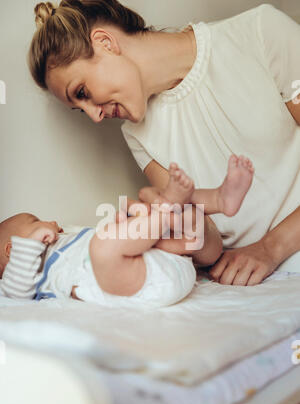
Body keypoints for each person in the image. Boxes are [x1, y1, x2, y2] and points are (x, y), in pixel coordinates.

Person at [28, 1, 300, 286]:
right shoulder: (137, 135)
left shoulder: (259, 33)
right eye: (80, 108)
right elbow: (209, 245)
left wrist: (270, 248)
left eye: (82, 92)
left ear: (105, 42)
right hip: (248, 280)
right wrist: (172, 222)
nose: (95, 116)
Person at [0, 156, 253, 306]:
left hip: (169, 263)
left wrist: (126, 222)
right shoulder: (24, 276)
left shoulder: (66, 239)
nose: (51, 222)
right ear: (12, 249)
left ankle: (219, 200)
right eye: (35, 220)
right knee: (104, 247)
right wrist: (31, 243)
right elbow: (15, 293)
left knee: (143, 200)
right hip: (137, 285)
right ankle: (167, 209)